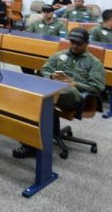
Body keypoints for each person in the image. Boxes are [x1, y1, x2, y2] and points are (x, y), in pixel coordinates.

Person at [13, 28, 105, 158]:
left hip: (74, 95)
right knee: (33, 94)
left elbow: (96, 87)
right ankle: (31, 135)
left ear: (86, 43)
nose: (75, 46)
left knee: (40, 100)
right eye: (72, 42)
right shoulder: (59, 55)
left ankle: (31, 146)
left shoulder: (94, 63)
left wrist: (73, 83)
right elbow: (45, 70)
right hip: (52, 88)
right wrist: (51, 76)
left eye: (79, 43)